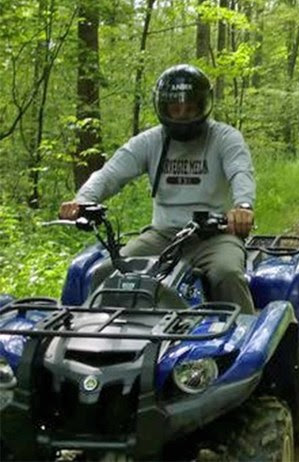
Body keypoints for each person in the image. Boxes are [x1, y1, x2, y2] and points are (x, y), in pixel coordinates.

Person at [59, 64, 256, 313]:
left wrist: (243, 206)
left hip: (215, 235)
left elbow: (241, 172)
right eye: (175, 107)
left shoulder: (224, 138)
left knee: (227, 274)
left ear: (202, 105)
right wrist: (83, 200)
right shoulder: (150, 141)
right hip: (162, 235)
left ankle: (246, 342)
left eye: (190, 107)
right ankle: (96, 342)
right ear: (163, 107)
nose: (182, 114)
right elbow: (110, 174)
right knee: (108, 271)